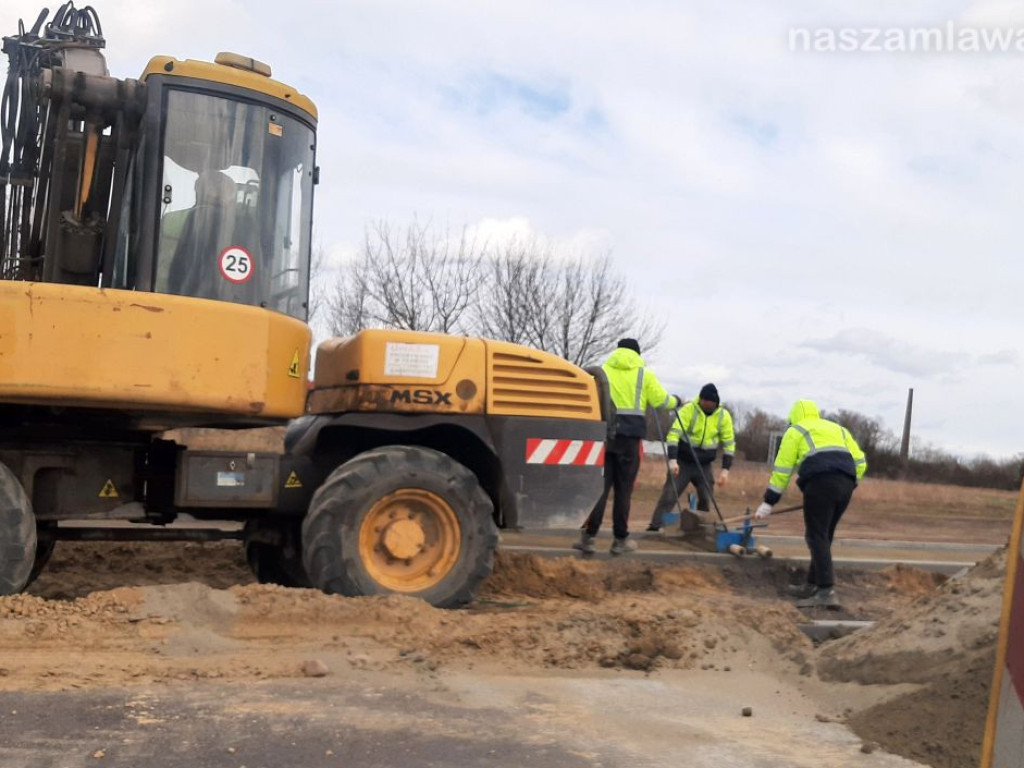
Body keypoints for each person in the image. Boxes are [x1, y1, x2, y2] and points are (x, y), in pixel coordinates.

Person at [754, 400, 867, 609]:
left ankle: (826, 591)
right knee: (824, 535)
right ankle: (813, 584)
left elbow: (782, 469)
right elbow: (860, 462)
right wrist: (845, 483)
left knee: (816, 536)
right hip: (846, 484)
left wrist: (769, 502)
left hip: (820, 481)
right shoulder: (838, 429)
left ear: (793, 418)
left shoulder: (795, 431)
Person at [574, 338, 681, 556]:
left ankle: (589, 538)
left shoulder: (602, 372)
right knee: (624, 491)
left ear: (618, 351)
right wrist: (676, 401)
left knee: (600, 489)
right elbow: (661, 402)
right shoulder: (643, 374)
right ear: (637, 354)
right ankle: (620, 540)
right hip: (630, 441)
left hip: (605, 437)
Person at [646, 383, 735, 534]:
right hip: (683, 461)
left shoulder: (723, 416)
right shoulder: (689, 410)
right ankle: (655, 526)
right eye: (703, 400)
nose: (705, 404)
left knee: (706, 497)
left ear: (715, 403)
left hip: (704, 464)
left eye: (709, 402)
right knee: (670, 494)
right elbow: (673, 435)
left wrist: (725, 470)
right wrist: (672, 460)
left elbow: (729, 444)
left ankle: (701, 529)